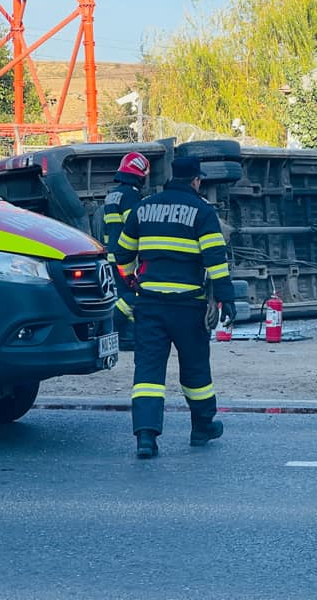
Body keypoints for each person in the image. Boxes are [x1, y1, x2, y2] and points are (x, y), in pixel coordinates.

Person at [115, 156, 236, 459]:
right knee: (195, 368)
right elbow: (215, 261)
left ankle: (146, 437)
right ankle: (202, 426)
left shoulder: (144, 207)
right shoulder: (202, 212)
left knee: (148, 371)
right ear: (196, 181)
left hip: (150, 305)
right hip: (188, 307)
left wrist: (131, 281)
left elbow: (123, 252)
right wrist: (226, 298)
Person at [102, 152, 151, 351]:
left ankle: (128, 335)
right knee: (132, 294)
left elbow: (108, 229)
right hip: (126, 255)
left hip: (112, 253)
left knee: (123, 294)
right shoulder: (131, 195)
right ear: (140, 175)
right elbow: (135, 225)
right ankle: (115, 327)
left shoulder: (113, 194)